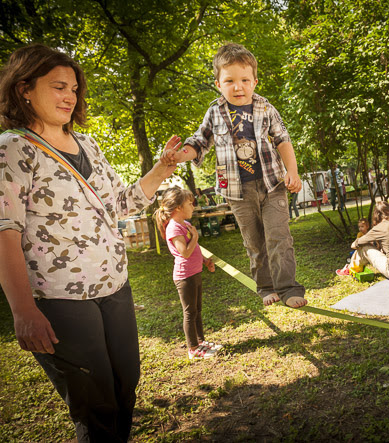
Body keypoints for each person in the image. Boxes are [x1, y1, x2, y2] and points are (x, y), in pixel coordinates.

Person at [0, 44, 180, 441]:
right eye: (58, 86)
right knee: (97, 406)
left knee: (125, 386)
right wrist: (23, 309)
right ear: (24, 88)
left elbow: (120, 203)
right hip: (60, 298)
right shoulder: (13, 147)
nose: (70, 96)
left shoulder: (89, 145)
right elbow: (4, 229)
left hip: (114, 287)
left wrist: (163, 167)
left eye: (74, 88)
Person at [161, 42, 306, 308]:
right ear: (218, 84)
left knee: (279, 237)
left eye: (244, 80)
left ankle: (288, 288)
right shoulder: (214, 112)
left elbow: (283, 140)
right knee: (254, 242)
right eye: (229, 81)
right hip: (238, 191)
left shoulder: (266, 108)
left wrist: (292, 172)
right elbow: (199, 142)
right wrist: (180, 155)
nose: (238, 87)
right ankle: (266, 287)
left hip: (272, 184)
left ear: (254, 82)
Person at [153, 187, 219, 360]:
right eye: (190, 203)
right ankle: (193, 349)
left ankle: (201, 342)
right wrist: (195, 237)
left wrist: (205, 261)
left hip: (195, 273)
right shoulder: (173, 228)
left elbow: (195, 250)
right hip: (185, 277)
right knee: (190, 313)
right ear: (178, 208)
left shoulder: (186, 224)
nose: (193, 206)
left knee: (197, 310)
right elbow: (185, 252)